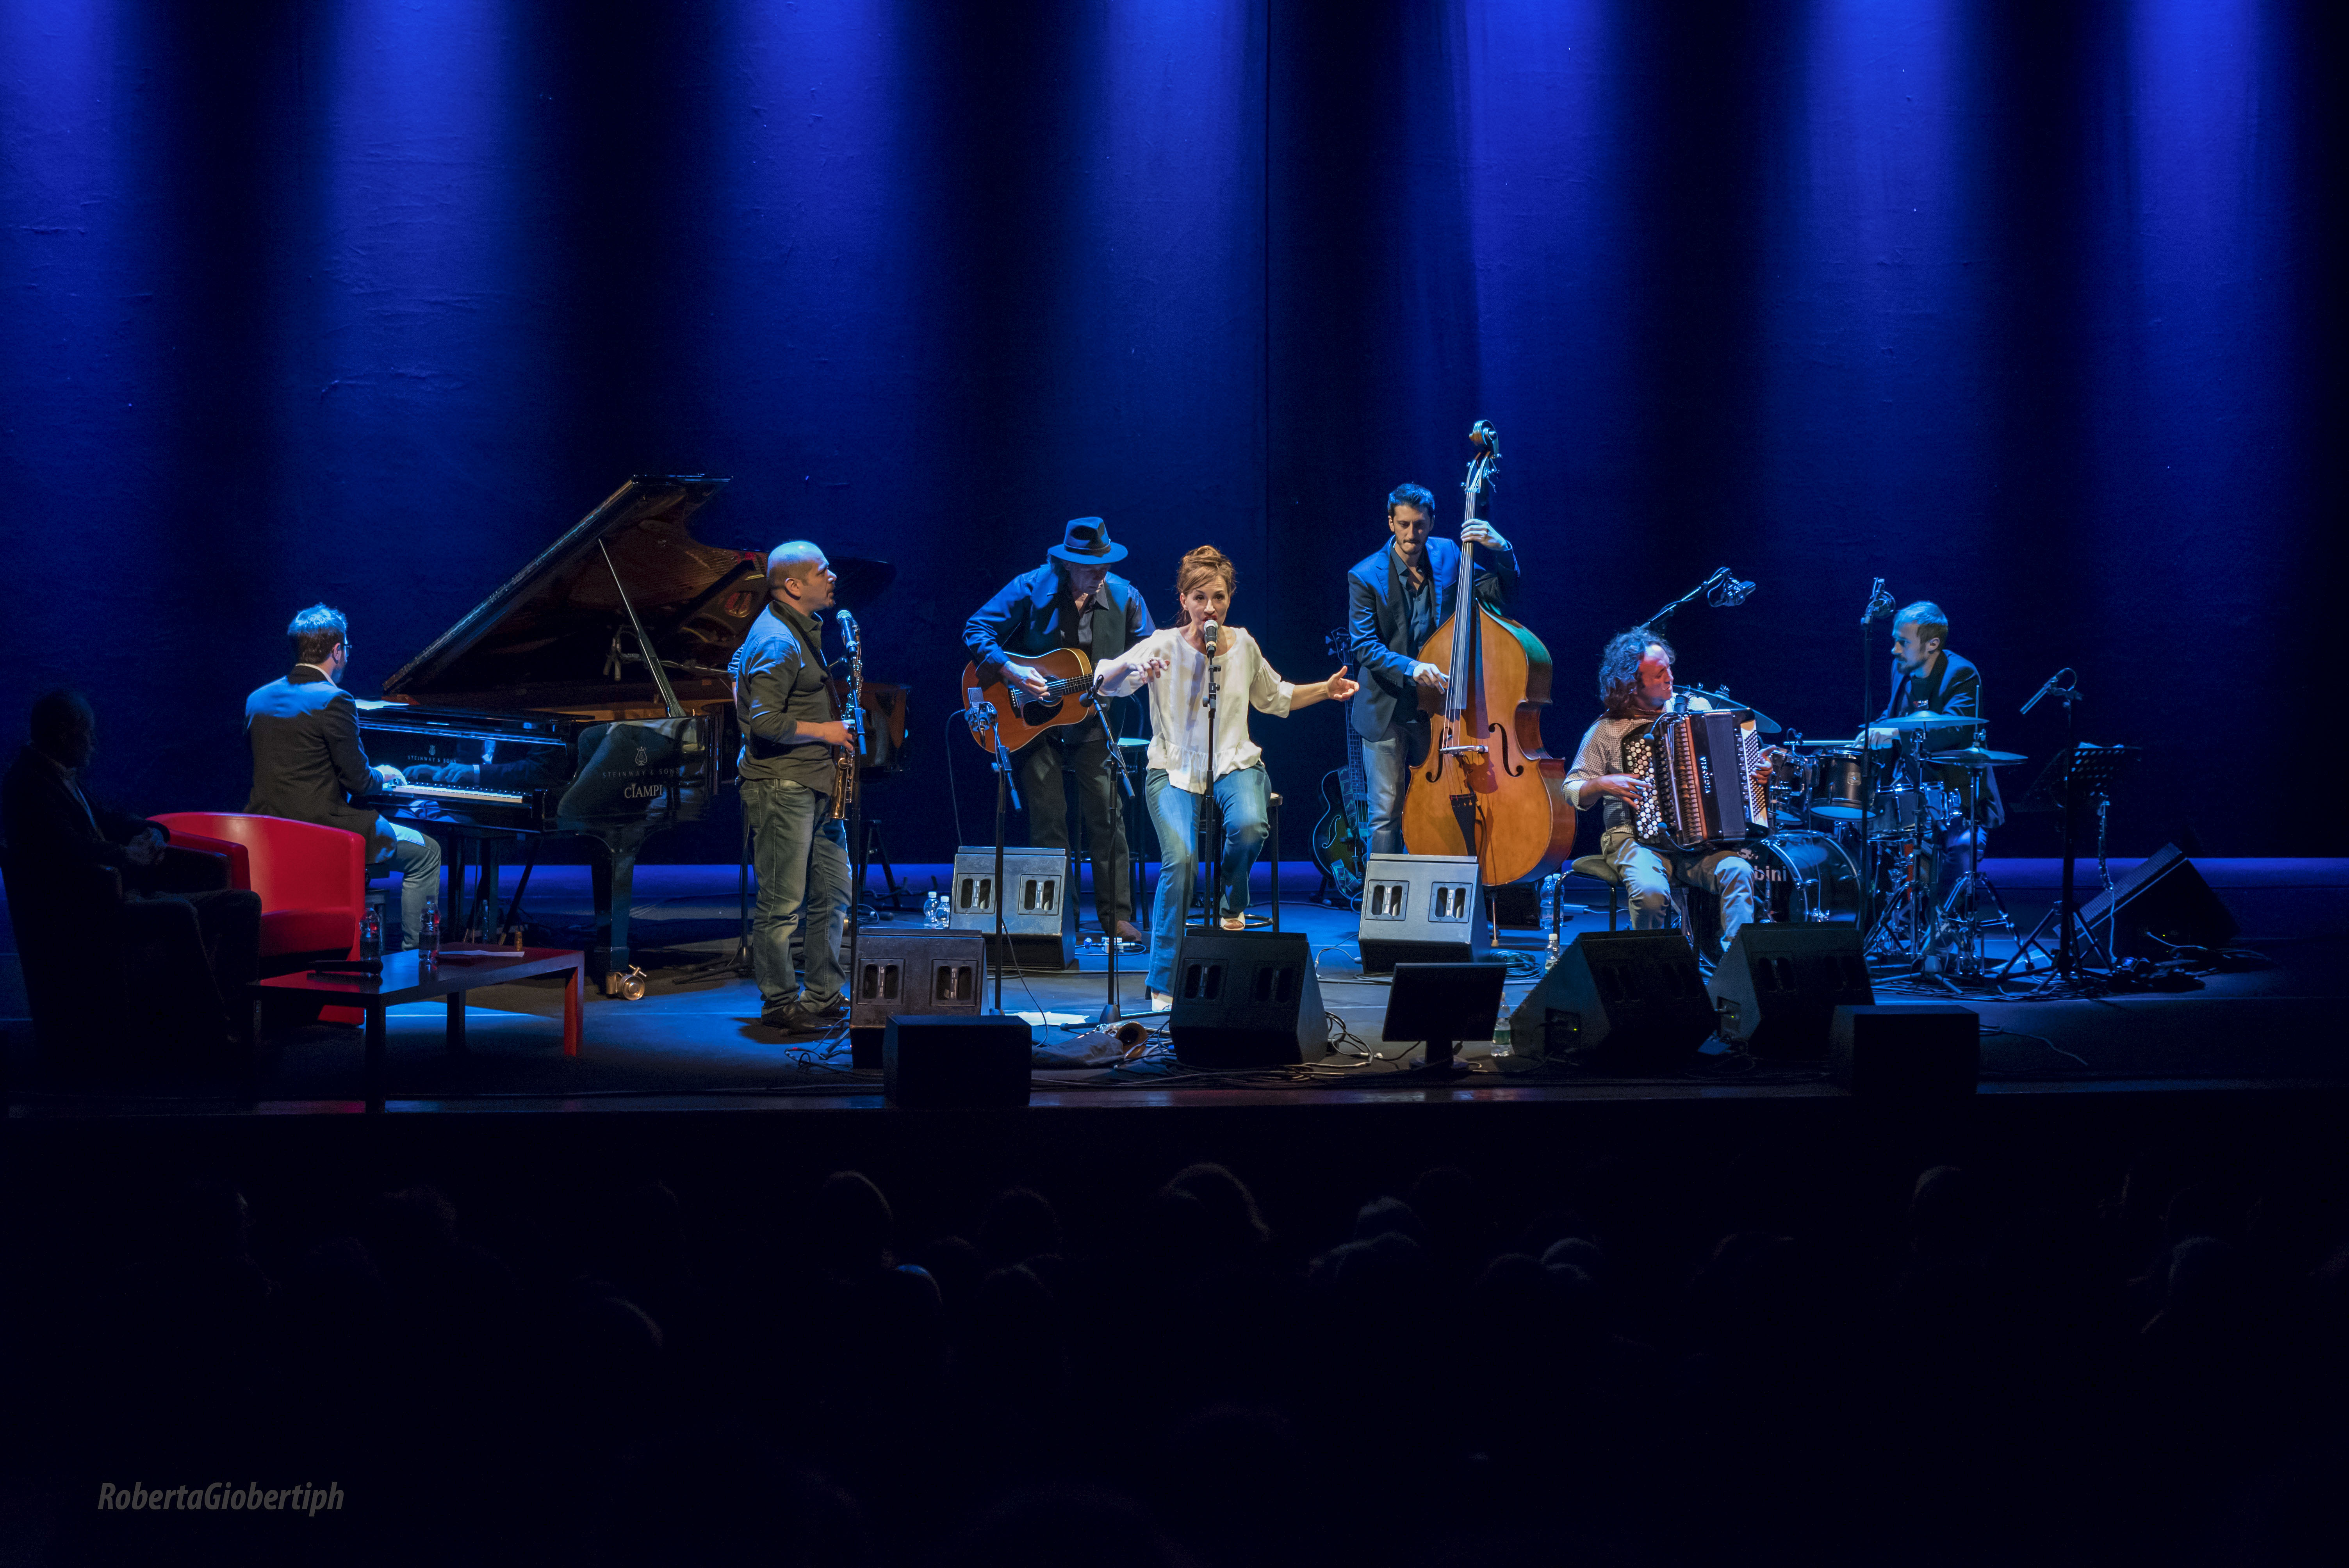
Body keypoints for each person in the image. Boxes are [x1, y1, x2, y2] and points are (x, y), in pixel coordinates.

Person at [1094, 546, 1357, 1007]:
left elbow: (1275, 697)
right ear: (1184, 599)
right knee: (1180, 858)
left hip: (1234, 760)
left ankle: (1232, 903)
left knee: (1250, 825)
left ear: (1230, 598)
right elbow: (1105, 684)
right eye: (1199, 597)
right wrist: (1133, 668)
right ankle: (1163, 980)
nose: (1209, 607)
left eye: (1218, 596)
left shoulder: (1244, 645)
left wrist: (1326, 689)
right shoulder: (1161, 645)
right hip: (1173, 768)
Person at [4, 688, 262, 1048]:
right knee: (179, 912)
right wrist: (128, 855)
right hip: (88, 910)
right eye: (87, 732)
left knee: (243, 904)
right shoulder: (28, 785)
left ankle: (240, 1022)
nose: (93, 743)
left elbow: (110, 818)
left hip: (123, 895)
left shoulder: (62, 776)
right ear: (64, 732)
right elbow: (70, 850)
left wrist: (151, 831)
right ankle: (215, 1035)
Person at [964, 518, 1153, 943]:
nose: (1099, 573)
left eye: (1104, 564)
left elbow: (1152, 648)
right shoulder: (1032, 586)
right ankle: (1053, 920)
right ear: (1066, 564)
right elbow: (976, 627)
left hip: (1095, 719)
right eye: (1089, 566)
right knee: (1049, 820)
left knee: (1108, 815)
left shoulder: (1126, 596)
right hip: (1034, 724)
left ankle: (1116, 916)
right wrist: (1012, 671)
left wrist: (1150, 665)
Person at [245, 605, 442, 948]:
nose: (347, 656)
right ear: (337, 651)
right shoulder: (335, 700)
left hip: (269, 829)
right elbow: (360, 782)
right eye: (346, 649)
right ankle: (417, 961)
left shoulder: (257, 699)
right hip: (325, 831)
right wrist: (385, 774)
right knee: (428, 854)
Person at [1562, 629, 1756, 971]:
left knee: (1738, 871)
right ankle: (1650, 974)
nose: (1671, 678)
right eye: (1660, 674)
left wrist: (1757, 771)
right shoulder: (1607, 730)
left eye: (1669, 669)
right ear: (1631, 684)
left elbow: (1735, 763)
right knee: (1651, 894)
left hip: (1694, 844)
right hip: (1632, 838)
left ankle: (1737, 971)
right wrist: (1603, 783)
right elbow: (1572, 787)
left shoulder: (1694, 710)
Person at [1344, 483, 1519, 855]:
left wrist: (1503, 549)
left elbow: (1499, 593)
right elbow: (1363, 646)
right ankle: (1384, 905)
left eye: (1420, 525)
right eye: (1404, 525)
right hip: (1386, 709)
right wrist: (1412, 668)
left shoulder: (1451, 554)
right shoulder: (1364, 575)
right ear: (1391, 522)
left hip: (1440, 709)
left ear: (1432, 522)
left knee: (1442, 802)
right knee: (1385, 813)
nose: (1412, 535)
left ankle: (1440, 897)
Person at [732, 541, 854, 1033]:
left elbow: (735, 666)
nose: (833, 578)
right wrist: (826, 730)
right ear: (793, 585)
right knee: (783, 903)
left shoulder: (793, 629)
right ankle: (780, 1001)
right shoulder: (779, 640)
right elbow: (763, 720)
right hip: (782, 786)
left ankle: (823, 995)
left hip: (815, 782)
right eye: (823, 571)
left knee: (833, 893)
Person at [1875, 600, 2003, 903]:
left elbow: (1954, 729)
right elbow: (1894, 713)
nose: (1894, 649)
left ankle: (1945, 931)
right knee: (1873, 843)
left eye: (1903, 642)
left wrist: (1894, 732)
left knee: (1961, 851)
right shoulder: (1900, 668)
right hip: (1912, 797)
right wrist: (1873, 729)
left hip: (1958, 798)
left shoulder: (1961, 673)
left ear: (1932, 644)